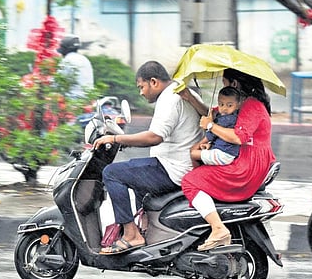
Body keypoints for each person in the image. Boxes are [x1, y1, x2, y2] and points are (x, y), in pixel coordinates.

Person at [93, 61, 204, 255]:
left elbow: (154, 137)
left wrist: (115, 138)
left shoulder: (170, 99)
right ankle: (145, 229)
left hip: (172, 169)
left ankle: (131, 235)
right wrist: (126, 140)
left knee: (112, 173)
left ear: (153, 82)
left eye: (141, 87)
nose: (141, 93)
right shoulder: (182, 91)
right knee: (134, 170)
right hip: (181, 165)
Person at [180, 68, 276, 251]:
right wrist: (190, 97)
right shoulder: (238, 104)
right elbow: (213, 114)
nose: (222, 88)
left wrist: (209, 126)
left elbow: (238, 137)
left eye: (224, 83)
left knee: (190, 181)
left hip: (246, 166)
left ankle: (218, 229)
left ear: (234, 84)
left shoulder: (251, 105)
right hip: (245, 159)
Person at [190, 86, 242, 167]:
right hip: (225, 151)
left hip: (223, 154)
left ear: (238, 105)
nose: (224, 108)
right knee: (203, 150)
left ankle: (196, 170)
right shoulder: (227, 116)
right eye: (221, 104)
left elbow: (211, 134)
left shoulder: (227, 119)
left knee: (193, 153)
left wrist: (198, 144)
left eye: (229, 105)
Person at [57, 34, 94, 99]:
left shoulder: (67, 60)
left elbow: (58, 83)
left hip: (73, 99)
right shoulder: (85, 59)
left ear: (65, 49)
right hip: (88, 98)